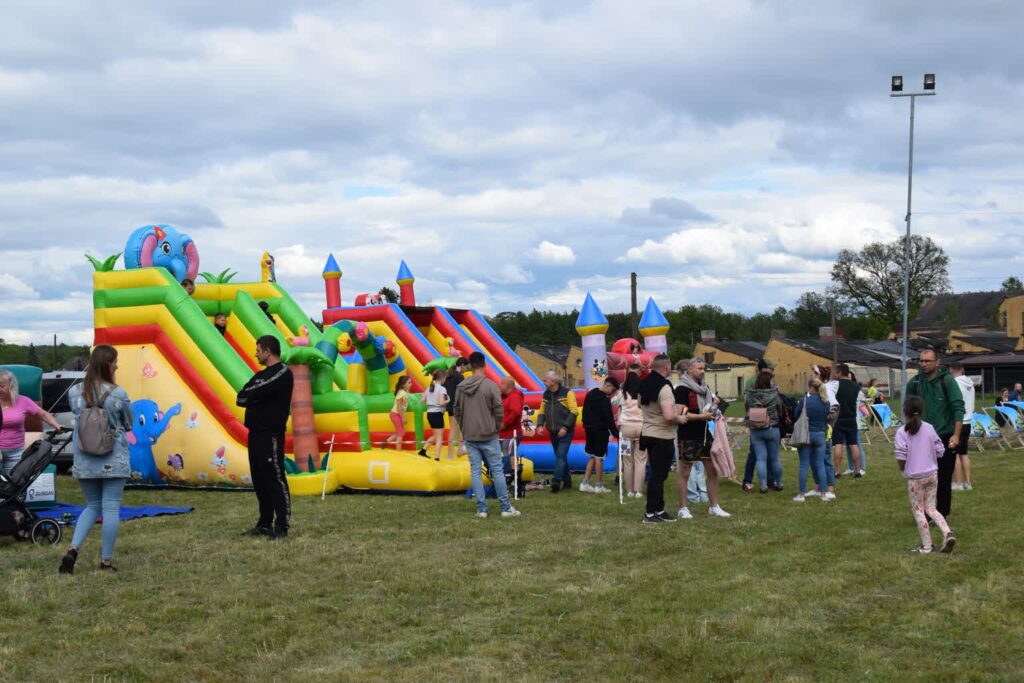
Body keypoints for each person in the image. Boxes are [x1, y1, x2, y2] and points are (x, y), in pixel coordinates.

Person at [58, 345, 135, 574]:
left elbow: (77, 416)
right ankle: (106, 560)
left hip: (84, 456)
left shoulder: (75, 392)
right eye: (115, 362)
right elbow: (129, 423)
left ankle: (73, 549)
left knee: (92, 505)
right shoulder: (118, 394)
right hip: (113, 456)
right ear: (108, 365)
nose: (117, 365)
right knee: (111, 507)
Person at [236, 335, 294, 540]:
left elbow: (252, 393)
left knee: (274, 478)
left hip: (271, 434)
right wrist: (256, 396)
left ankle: (282, 525)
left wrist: (254, 396)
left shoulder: (282, 373)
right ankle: (264, 523)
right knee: (259, 479)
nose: (256, 354)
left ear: (268, 351)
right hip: (255, 434)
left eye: (258, 350)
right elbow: (241, 396)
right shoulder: (260, 375)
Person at [454, 352, 520, 518]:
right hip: (489, 434)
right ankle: (505, 507)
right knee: (497, 471)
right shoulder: (491, 386)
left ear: (470, 365)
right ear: (484, 365)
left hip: (470, 435)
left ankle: (481, 509)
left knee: (475, 472)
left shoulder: (461, 387)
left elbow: (456, 410)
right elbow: (498, 410)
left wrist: (464, 427)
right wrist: (497, 425)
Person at [906, 348, 965, 519]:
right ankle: (925, 512)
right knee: (922, 478)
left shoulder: (947, 381)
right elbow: (908, 410)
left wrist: (956, 435)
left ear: (937, 362)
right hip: (921, 439)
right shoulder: (915, 383)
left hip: (945, 437)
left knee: (943, 478)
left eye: (928, 361)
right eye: (922, 361)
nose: (924, 364)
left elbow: (958, 408)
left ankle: (942, 513)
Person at [895, 396, 956, 554]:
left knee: (918, 510)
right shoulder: (929, 428)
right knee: (931, 508)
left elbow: (901, 457)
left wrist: (904, 469)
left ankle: (927, 546)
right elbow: (940, 450)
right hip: (932, 475)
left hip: (915, 478)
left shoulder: (902, 432)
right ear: (922, 411)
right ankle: (947, 532)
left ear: (905, 411)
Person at [673, 359, 730, 518]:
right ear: (689, 369)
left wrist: (713, 407)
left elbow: (707, 407)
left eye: (704, 368)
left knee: (712, 470)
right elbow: (681, 413)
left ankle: (714, 506)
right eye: (699, 368)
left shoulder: (705, 388)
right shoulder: (682, 389)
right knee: (685, 472)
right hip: (687, 435)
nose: (703, 371)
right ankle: (683, 508)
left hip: (705, 434)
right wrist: (701, 416)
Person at [639, 354, 689, 523]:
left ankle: (658, 510)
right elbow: (668, 415)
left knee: (657, 475)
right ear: (667, 367)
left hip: (647, 433)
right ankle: (651, 512)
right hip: (662, 436)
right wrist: (680, 418)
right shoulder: (665, 387)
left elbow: (642, 405)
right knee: (658, 476)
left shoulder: (644, 383)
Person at [0, 368, 62, 477]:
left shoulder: (23, 401)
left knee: (15, 484)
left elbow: (43, 414)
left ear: (11, 385)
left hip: (16, 451)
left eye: (2, 385)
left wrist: (56, 425)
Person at [535, 370, 579, 493]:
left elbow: (574, 411)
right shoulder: (546, 394)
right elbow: (542, 411)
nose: (544, 382)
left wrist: (565, 427)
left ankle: (556, 481)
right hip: (552, 431)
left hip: (566, 431)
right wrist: (539, 425)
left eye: (546, 380)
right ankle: (568, 481)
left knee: (560, 454)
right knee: (561, 456)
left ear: (553, 382)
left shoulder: (568, 393)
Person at [793, 378, 833, 502]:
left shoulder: (804, 400)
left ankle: (801, 495)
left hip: (806, 435)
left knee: (804, 465)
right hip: (820, 434)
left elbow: (796, 414)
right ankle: (823, 493)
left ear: (810, 387)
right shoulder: (826, 402)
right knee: (820, 465)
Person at [744, 370, 782, 493]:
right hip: (772, 428)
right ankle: (778, 483)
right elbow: (780, 409)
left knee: (761, 459)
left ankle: (763, 486)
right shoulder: (774, 394)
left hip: (755, 429)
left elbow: (746, 408)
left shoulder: (750, 394)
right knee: (775, 459)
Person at [580, 377, 619, 494]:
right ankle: (599, 485)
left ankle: (585, 483)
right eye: (613, 391)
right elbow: (609, 419)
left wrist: (586, 425)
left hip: (588, 429)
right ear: (609, 387)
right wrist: (617, 434)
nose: (613, 395)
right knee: (599, 457)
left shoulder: (590, 394)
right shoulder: (604, 399)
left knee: (592, 456)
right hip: (600, 431)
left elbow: (584, 413)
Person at [741, 359, 775, 491]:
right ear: (764, 369)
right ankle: (748, 480)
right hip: (760, 423)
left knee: (768, 454)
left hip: (763, 422)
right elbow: (747, 402)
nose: (773, 372)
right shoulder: (752, 382)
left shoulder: (769, 381)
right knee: (755, 453)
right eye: (771, 369)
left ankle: (770, 480)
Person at [613, 369, 646, 498]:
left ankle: (629, 491)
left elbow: (613, 402)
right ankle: (638, 491)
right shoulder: (643, 393)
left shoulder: (622, 393)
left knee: (627, 461)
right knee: (641, 461)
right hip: (641, 428)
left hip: (625, 429)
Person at [832, 364, 863, 478]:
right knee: (854, 444)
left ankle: (837, 471)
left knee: (838, 445)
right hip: (851, 418)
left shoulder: (836, 385)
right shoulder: (855, 386)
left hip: (839, 418)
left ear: (839, 373)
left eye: (836, 372)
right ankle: (858, 470)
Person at [949, 362, 975, 491]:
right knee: (964, 453)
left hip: (958, 422)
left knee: (954, 453)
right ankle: (967, 483)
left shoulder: (955, 384)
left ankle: (958, 483)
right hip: (969, 421)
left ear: (952, 370)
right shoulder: (970, 383)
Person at [444, 357, 469, 458]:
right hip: (457, 405)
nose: (466, 369)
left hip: (449, 405)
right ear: (462, 365)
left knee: (454, 429)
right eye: (466, 366)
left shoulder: (449, 375)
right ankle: (456, 451)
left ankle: (455, 451)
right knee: (458, 429)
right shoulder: (459, 377)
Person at [420, 370, 449, 459]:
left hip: (430, 414)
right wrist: (448, 400)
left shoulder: (429, 387)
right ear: (442, 378)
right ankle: (437, 457)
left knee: (436, 435)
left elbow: (422, 400)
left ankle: (423, 450)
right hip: (437, 414)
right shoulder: (442, 389)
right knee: (439, 437)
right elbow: (441, 403)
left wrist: (430, 399)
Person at [498, 376, 524, 460]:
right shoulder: (505, 397)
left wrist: (505, 423)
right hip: (505, 434)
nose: (500, 385)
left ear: (509, 385)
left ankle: (510, 472)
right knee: (506, 455)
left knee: (508, 456)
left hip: (511, 434)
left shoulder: (514, 396)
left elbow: (515, 412)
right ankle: (509, 471)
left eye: (502, 383)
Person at [384, 376, 410, 450]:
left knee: (400, 431)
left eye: (411, 382)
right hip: (395, 414)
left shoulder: (403, 392)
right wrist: (403, 418)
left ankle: (386, 442)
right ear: (403, 384)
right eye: (409, 383)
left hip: (396, 414)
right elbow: (399, 407)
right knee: (401, 433)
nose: (411, 384)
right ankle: (398, 450)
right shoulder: (402, 393)